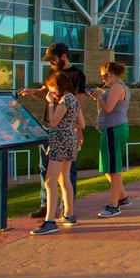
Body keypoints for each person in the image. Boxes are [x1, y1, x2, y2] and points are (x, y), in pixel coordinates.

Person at [18, 42, 87, 219]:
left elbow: (71, 110)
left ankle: (56, 214)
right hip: (58, 132)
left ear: (63, 56)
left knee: (56, 178)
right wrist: (34, 92)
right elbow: (45, 91)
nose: (51, 64)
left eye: (53, 59)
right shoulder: (55, 77)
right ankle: (54, 208)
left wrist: (51, 104)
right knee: (51, 172)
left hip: (60, 134)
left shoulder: (76, 77)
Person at [31, 71, 84, 235]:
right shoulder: (74, 100)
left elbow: (53, 122)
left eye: (51, 87)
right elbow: (82, 123)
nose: (50, 91)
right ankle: (68, 214)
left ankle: (50, 221)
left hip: (60, 142)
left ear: (59, 85)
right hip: (69, 141)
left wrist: (51, 104)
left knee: (49, 181)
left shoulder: (65, 100)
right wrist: (69, 124)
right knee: (64, 178)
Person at [94, 61, 131, 218]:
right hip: (112, 129)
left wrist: (99, 98)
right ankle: (122, 197)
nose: (103, 80)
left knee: (114, 169)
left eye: (103, 76)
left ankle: (114, 205)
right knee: (109, 168)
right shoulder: (119, 87)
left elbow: (108, 108)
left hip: (114, 130)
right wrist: (100, 96)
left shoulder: (117, 87)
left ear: (109, 74)